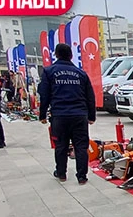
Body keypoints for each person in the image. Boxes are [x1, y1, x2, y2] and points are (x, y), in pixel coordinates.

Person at [39, 43, 96, 184]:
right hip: (79, 115)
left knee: (61, 146)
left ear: (56, 54)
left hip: (60, 115)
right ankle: (82, 176)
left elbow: (44, 95)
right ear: (71, 55)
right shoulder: (81, 73)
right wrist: (91, 116)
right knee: (81, 146)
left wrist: (42, 115)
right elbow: (90, 96)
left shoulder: (49, 71)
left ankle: (61, 173)